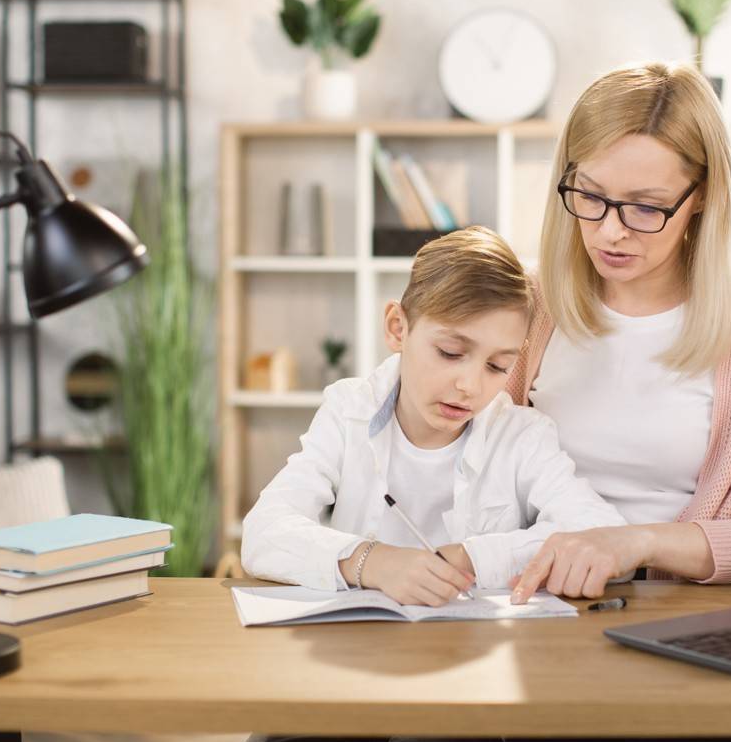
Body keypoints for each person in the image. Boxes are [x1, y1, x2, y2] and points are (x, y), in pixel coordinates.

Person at [502, 61, 731, 742]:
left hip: (686, 634)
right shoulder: (528, 304)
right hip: (535, 620)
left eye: (645, 205)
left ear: (704, 198)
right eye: (590, 195)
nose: (610, 231)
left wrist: (640, 542)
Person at [241, 225, 626, 607]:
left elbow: (604, 535)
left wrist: (470, 557)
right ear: (398, 328)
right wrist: (371, 562)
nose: (470, 386)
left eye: (497, 366)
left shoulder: (522, 434)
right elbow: (263, 533)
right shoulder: (347, 411)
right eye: (450, 352)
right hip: (359, 649)